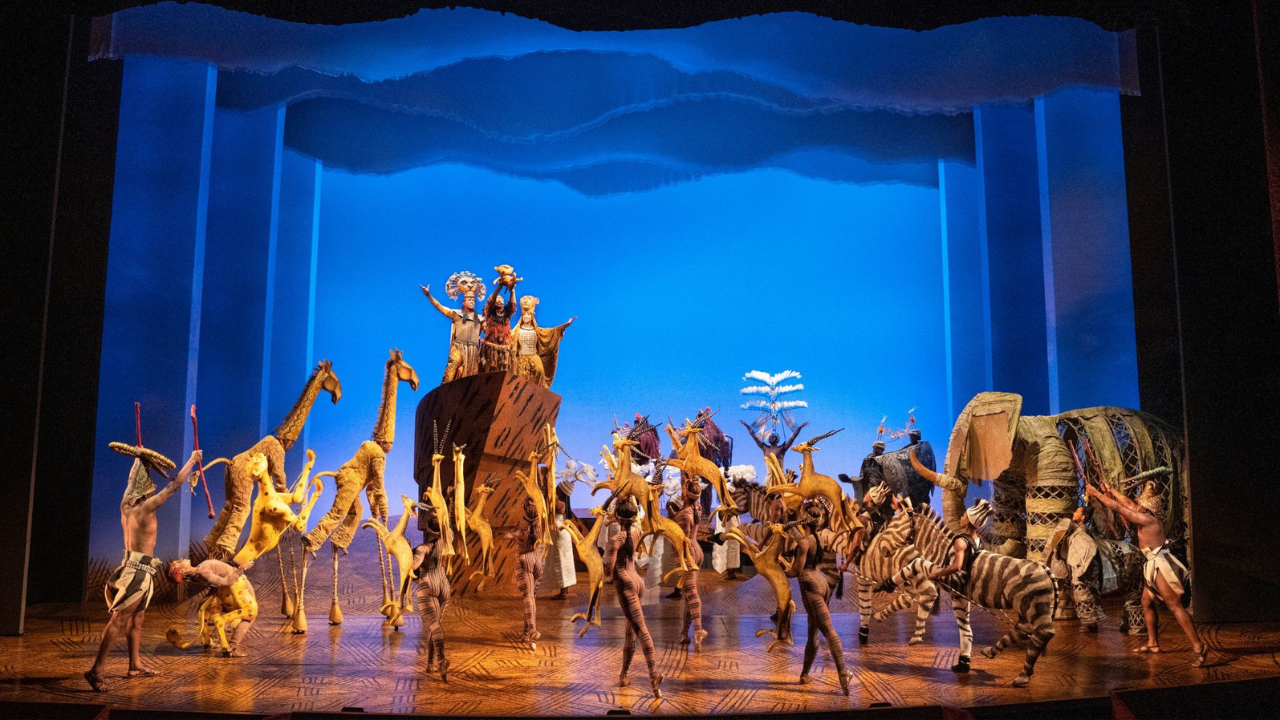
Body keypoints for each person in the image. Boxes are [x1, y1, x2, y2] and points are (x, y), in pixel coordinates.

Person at [86, 443, 201, 692]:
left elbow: (133, 481)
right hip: (137, 573)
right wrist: (192, 461)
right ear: (145, 490)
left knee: (136, 621)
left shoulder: (125, 506)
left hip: (134, 568)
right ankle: (97, 670)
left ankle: (134, 665)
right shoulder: (145, 508)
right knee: (119, 621)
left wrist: (139, 460)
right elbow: (173, 486)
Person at [1086, 481, 1205, 665]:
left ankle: (1199, 646)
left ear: (1147, 508)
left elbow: (1118, 507)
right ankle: (1153, 643)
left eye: (1140, 504)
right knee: (1146, 602)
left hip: (1160, 565)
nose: (1136, 505)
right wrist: (1111, 490)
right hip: (1152, 564)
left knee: (1174, 606)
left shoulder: (1148, 520)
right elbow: (1126, 502)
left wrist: (1096, 493)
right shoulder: (1144, 515)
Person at [883, 499, 992, 673]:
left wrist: (937, 574)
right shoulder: (979, 541)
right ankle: (965, 659)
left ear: (969, 521)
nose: (962, 517)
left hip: (955, 582)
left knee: (918, 563)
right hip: (966, 586)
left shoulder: (961, 541)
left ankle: (891, 582)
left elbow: (956, 566)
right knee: (964, 622)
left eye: (964, 516)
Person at [786, 498, 852, 695]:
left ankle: (843, 673)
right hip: (821, 582)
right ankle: (805, 674)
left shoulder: (804, 543)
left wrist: (781, 567)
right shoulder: (818, 538)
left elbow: (795, 571)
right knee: (812, 631)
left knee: (827, 630)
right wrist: (792, 522)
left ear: (804, 519)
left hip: (810, 586)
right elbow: (795, 532)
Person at [604, 498, 663, 698]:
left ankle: (654, 675)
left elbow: (608, 571)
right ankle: (624, 675)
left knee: (640, 629)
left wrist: (604, 558)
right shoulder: (636, 531)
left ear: (617, 518)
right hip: (638, 581)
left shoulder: (615, 540)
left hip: (625, 583)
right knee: (630, 632)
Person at [167, 557, 257, 657]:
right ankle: (233, 645)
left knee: (220, 610)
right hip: (235, 583)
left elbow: (216, 575)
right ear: (182, 571)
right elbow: (228, 582)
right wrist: (242, 568)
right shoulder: (203, 572)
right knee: (250, 613)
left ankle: (208, 641)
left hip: (225, 589)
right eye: (178, 562)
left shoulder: (196, 573)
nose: (181, 558)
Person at [1047, 505, 1106, 632]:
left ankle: (1091, 623)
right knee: (1083, 594)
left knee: (1085, 594)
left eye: (1077, 512)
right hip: (1077, 567)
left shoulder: (1083, 531)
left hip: (1084, 568)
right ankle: (1090, 623)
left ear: (1083, 517)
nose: (1074, 513)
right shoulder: (1076, 530)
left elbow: (1085, 550)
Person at [412, 499, 452, 682]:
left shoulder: (423, 549)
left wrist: (405, 553)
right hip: (443, 585)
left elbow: (414, 565)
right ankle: (430, 663)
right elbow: (448, 526)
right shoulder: (447, 541)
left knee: (434, 626)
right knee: (436, 626)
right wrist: (447, 506)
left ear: (428, 530)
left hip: (427, 585)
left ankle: (441, 659)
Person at [421, 273, 485, 383]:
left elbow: (490, 330)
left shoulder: (480, 318)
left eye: (473, 300)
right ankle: (444, 391)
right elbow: (440, 307)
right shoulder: (456, 314)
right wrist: (429, 296)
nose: (472, 302)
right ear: (464, 302)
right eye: (469, 299)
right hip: (458, 347)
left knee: (474, 377)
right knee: (450, 372)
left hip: (473, 350)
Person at [673, 475, 709, 650]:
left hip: (688, 554)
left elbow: (683, 538)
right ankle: (684, 633)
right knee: (688, 594)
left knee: (692, 593)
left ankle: (698, 630)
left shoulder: (684, 514)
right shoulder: (697, 507)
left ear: (685, 493)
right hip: (696, 550)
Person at [510, 295, 574, 389]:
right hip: (520, 359)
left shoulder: (538, 331)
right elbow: (507, 339)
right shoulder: (516, 331)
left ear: (532, 316)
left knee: (539, 370)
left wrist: (564, 326)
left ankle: (536, 394)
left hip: (533, 357)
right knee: (517, 376)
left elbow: (551, 333)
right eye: (524, 315)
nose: (526, 317)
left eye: (528, 315)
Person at [512, 496, 547, 646]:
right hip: (538, 561)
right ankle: (526, 632)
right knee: (532, 598)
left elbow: (509, 534)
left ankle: (532, 628)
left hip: (525, 560)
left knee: (528, 597)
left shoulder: (521, 528)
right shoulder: (541, 527)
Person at [540, 482, 577, 601]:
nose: (555, 488)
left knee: (562, 563)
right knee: (562, 562)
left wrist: (547, 487)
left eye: (558, 488)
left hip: (560, 536)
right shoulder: (560, 502)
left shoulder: (559, 503)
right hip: (559, 535)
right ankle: (564, 590)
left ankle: (563, 592)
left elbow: (552, 499)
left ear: (562, 491)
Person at [741, 420, 808, 484]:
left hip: (780, 479)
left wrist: (800, 427)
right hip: (768, 479)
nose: (771, 437)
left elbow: (792, 437)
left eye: (774, 436)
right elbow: (754, 436)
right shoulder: (765, 448)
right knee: (764, 491)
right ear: (768, 440)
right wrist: (747, 426)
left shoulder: (782, 448)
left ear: (777, 440)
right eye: (770, 436)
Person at [479, 279, 516, 373]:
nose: (499, 300)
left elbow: (512, 305)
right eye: (497, 298)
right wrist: (499, 287)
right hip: (491, 349)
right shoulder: (489, 313)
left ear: (504, 302)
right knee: (490, 371)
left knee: (505, 371)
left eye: (501, 298)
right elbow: (490, 301)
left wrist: (512, 290)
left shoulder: (507, 315)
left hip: (505, 350)